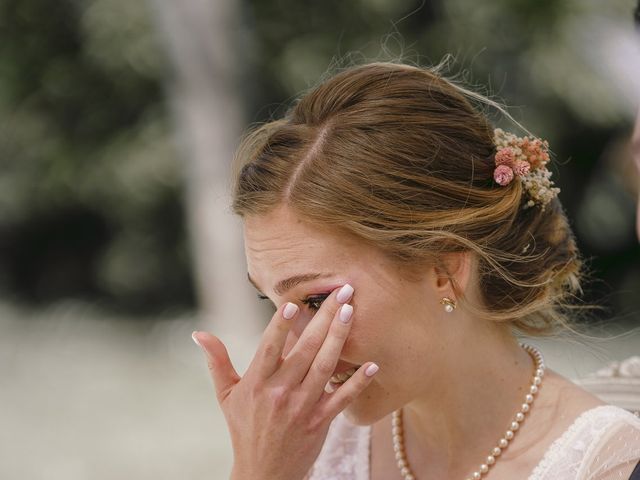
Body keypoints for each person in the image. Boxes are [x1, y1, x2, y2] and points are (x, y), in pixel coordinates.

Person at [192, 62, 640, 480]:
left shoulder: (606, 463)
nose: (294, 350)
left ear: (445, 268)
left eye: (315, 300)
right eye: (269, 302)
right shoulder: (303, 446)